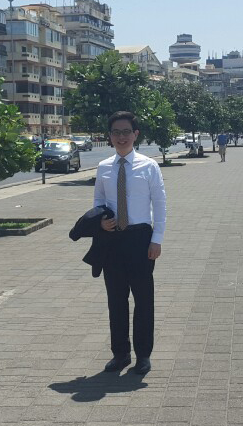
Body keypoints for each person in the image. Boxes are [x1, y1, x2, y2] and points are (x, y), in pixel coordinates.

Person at [95, 111, 166, 375]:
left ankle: (143, 355)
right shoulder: (103, 167)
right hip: (112, 241)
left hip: (140, 239)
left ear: (136, 134)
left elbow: (160, 204)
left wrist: (156, 239)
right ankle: (120, 353)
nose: (121, 137)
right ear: (110, 136)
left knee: (143, 300)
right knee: (116, 300)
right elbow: (98, 201)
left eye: (126, 132)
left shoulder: (149, 166)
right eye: (116, 132)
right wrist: (101, 222)